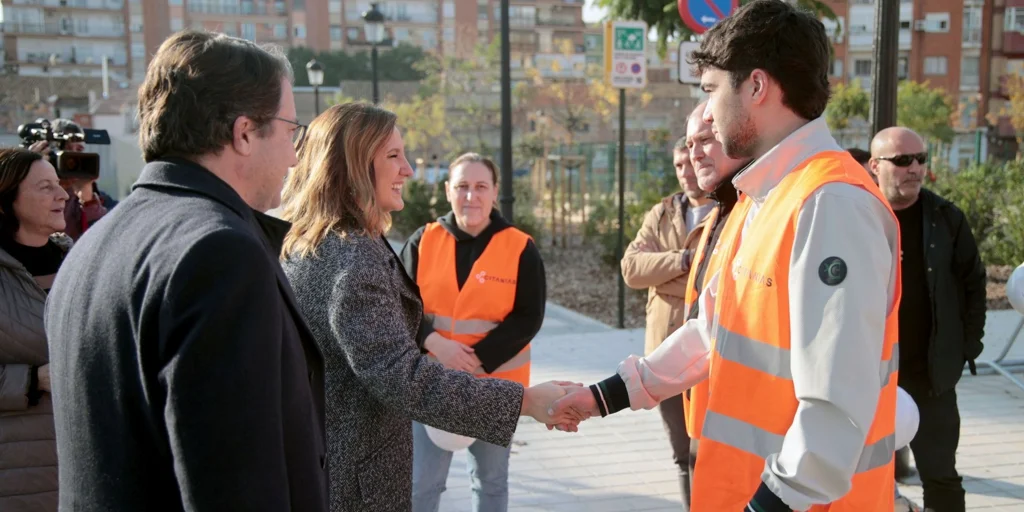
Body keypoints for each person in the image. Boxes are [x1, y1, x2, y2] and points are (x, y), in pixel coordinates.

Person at [551, 1, 903, 509]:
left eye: (711, 91)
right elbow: (713, 330)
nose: (707, 114)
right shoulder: (765, 195)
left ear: (756, 87)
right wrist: (605, 396)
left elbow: (835, 408)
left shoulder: (832, 205)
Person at [43, 31, 329, 511]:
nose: (296, 155)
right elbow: (235, 483)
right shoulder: (219, 254)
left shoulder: (93, 244)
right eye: (290, 130)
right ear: (243, 133)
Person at [279, 103, 582, 512]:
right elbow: (402, 376)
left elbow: (527, 316)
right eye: (393, 156)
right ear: (351, 166)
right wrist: (525, 402)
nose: (409, 169)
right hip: (357, 480)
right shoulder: (354, 259)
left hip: (346, 456)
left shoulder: (328, 245)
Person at [398, 152, 547, 512]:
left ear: (495, 192)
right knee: (422, 485)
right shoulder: (423, 241)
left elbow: (528, 317)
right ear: (447, 191)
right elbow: (399, 306)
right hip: (431, 384)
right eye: (462, 186)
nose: (471, 196)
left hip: (495, 386)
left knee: (491, 483)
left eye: (481, 186)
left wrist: (476, 359)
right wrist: (436, 344)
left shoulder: (520, 246)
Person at [869, 126, 987, 512]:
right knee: (865, 477)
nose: (915, 168)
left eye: (921, 159)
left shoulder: (945, 218)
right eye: (903, 161)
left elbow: (973, 282)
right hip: (869, 375)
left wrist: (967, 346)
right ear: (875, 166)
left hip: (931, 374)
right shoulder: (859, 214)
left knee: (941, 475)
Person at [617, 132, 713, 507]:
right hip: (664, 354)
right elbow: (632, 269)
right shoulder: (662, 212)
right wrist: (683, 262)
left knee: (709, 450)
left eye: (690, 162)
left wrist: (664, 276)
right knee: (680, 450)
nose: (685, 171)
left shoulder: (728, 213)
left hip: (709, 354)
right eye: (678, 165)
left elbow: (713, 276)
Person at [0, 148, 70, 511]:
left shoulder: (81, 260)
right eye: (46, 187)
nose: (63, 195)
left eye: (59, 185)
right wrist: (31, 380)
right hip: (14, 477)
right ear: (7, 200)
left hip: (81, 469)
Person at [28, 119, 113, 240]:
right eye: (66, 149)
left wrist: (88, 199)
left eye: (78, 150)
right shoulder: (30, 187)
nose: (73, 157)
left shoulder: (100, 199)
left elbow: (104, 239)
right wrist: (30, 172)